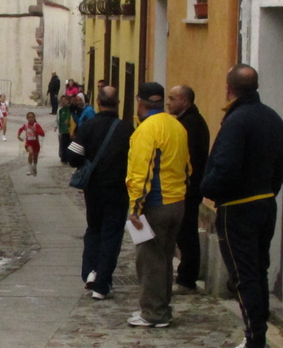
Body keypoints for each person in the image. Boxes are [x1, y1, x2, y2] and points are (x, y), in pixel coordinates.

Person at [201, 65, 283, 348]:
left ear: (229, 89)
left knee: (243, 275)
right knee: (257, 272)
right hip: (265, 203)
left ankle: (256, 345)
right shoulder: (273, 118)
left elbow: (224, 166)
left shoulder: (237, 121)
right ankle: (256, 339)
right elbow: (280, 165)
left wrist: (207, 190)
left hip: (237, 206)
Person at [126, 82, 191, 327]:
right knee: (164, 258)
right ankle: (161, 308)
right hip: (177, 201)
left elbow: (141, 171)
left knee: (150, 260)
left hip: (154, 203)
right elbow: (187, 167)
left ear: (139, 102)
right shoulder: (177, 126)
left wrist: (135, 208)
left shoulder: (146, 130)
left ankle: (153, 313)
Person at [67, 87, 135, 300]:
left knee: (94, 229)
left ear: (98, 102)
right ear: (118, 103)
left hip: (93, 189)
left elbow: (73, 156)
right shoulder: (127, 130)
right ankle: (102, 283)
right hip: (118, 189)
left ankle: (90, 271)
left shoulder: (88, 127)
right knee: (112, 235)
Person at [166, 85, 210, 293]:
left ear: (185, 101)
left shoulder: (190, 125)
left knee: (186, 233)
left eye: (172, 98)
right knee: (186, 232)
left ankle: (187, 278)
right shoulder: (189, 122)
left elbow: (190, 159)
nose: (168, 102)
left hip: (189, 188)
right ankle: (187, 275)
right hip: (190, 186)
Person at [17, 112, 45, 176]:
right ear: (27, 118)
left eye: (32, 117)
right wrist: (18, 136)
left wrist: (36, 131)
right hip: (28, 143)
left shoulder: (36, 125)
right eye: (29, 117)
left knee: (35, 157)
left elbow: (43, 134)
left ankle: (34, 167)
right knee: (31, 152)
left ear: (34, 118)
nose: (30, 119)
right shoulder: (26, 125)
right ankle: (29, 169)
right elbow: (20, 129)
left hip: (36, 144)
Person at [56, 95, 72, 163]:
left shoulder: (70, 109)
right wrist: (56, 127)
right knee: (63, 144)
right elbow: (58, 119)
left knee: (68, 144)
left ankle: (68, 157)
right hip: (62, 129)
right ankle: (63, 157)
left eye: (65, 99)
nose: (63, 101)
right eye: (62, 100)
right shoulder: (60, 110)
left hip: (69, 129)